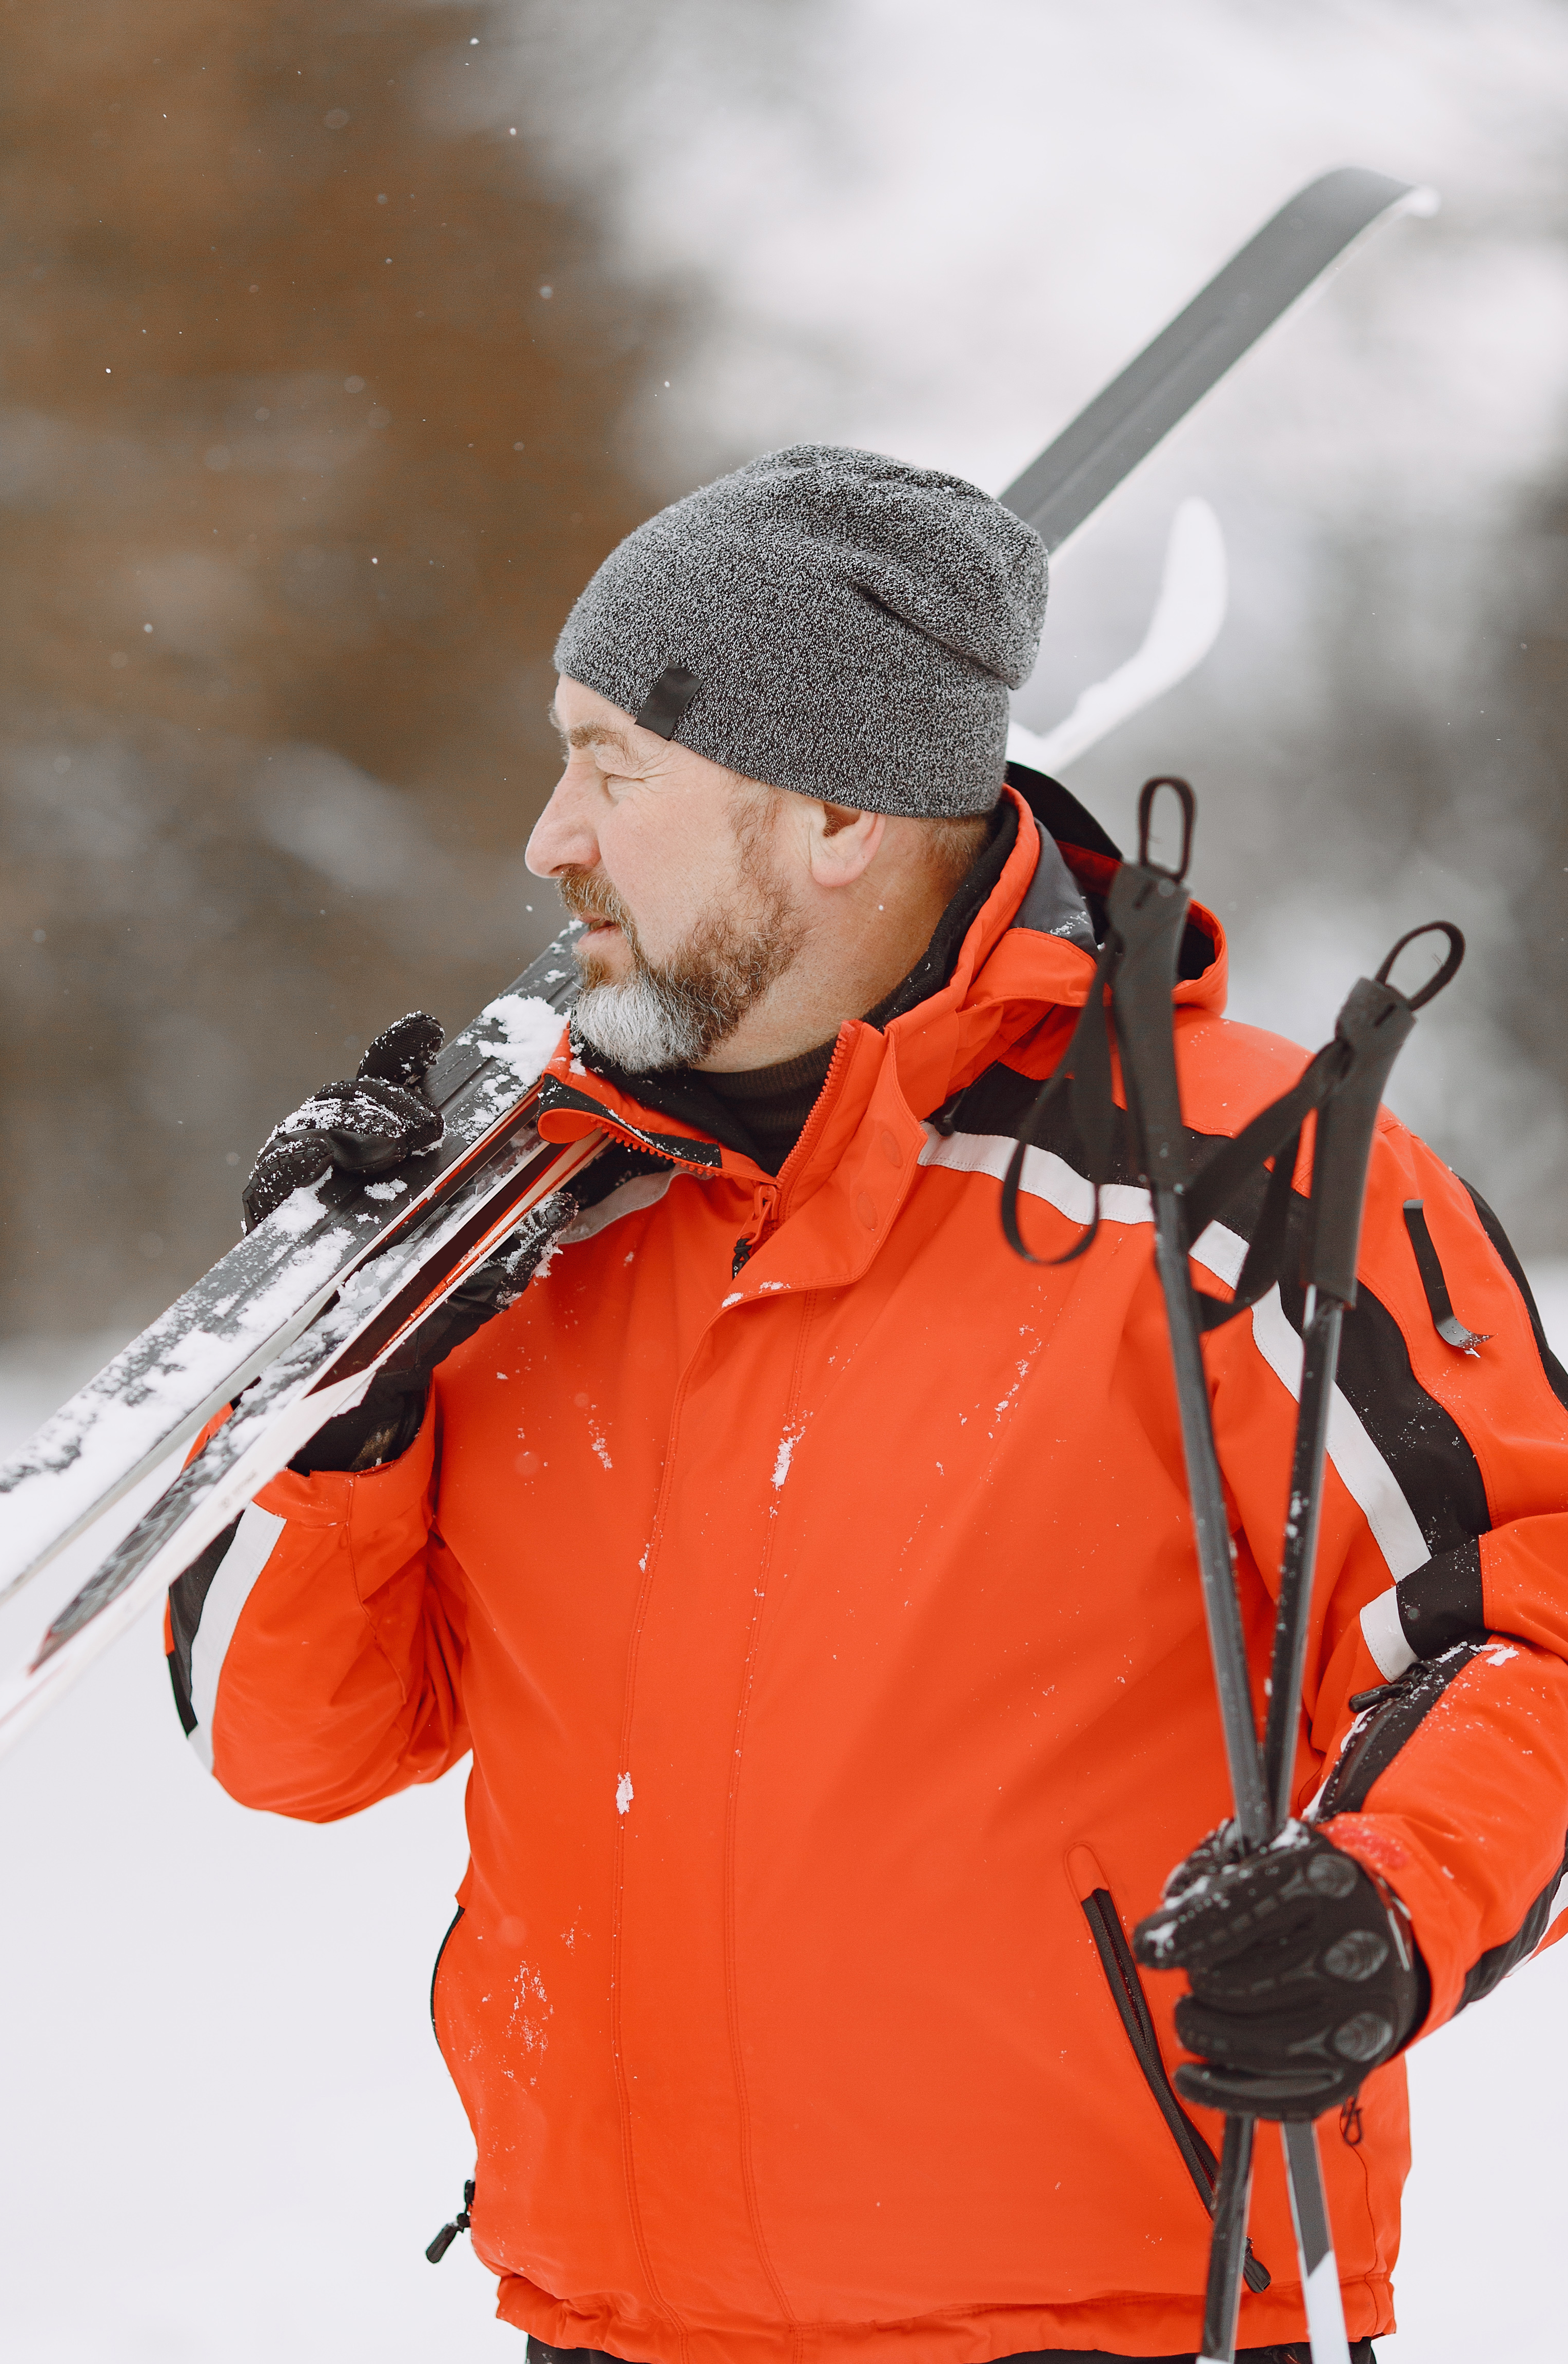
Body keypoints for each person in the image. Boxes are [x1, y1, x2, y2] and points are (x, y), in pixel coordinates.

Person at [167, 445, 1568, 2364]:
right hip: (602, 2318)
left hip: (1111, 2318)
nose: (546, 836)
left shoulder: (1248, 1179)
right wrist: (337, 1399)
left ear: (830, 814)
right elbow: (291, 1747)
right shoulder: (537, 1214)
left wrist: (1384, 1900)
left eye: (612, 762)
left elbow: (1530, 1619)